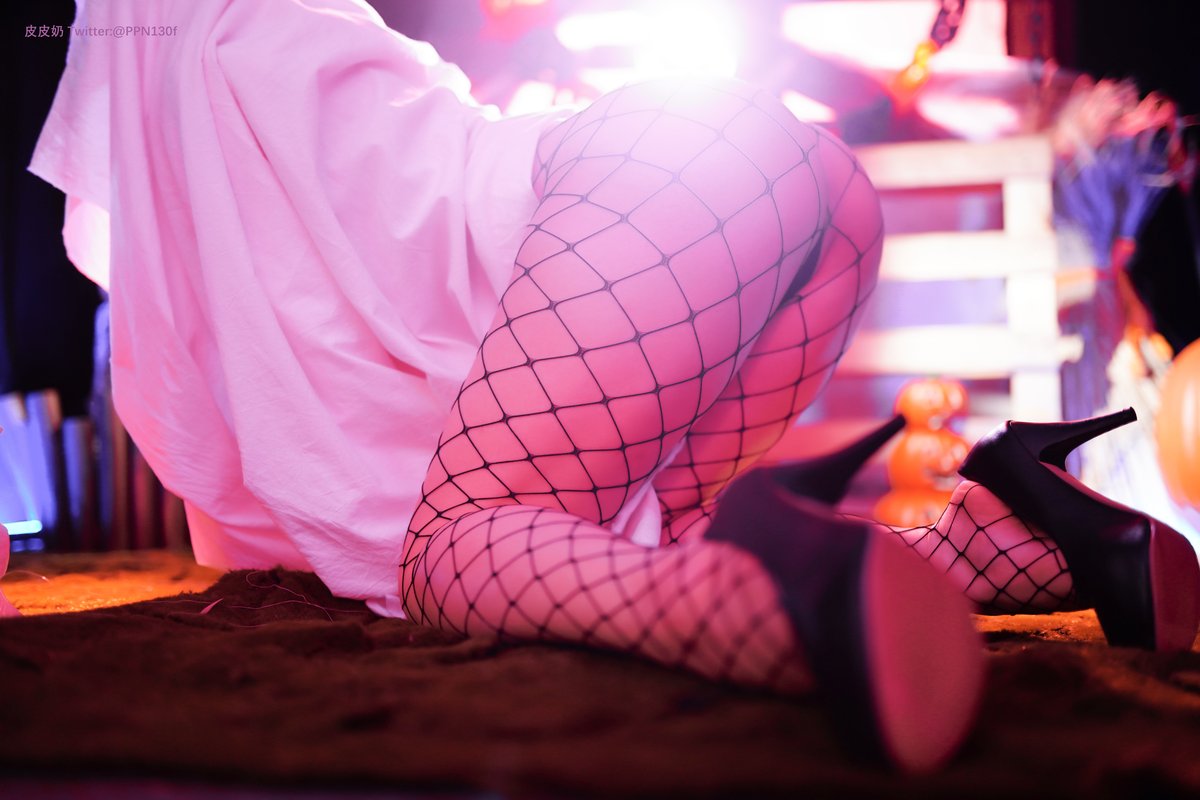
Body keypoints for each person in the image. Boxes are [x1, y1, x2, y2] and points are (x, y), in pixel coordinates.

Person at [19, 0, 1200, 774]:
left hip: (661, 177)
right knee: (649, 530)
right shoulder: (334, 53)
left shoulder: (183, 39)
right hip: (802, 193)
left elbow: (223, 401)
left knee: (457, 550)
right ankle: (1051, 540)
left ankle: (795, 616)